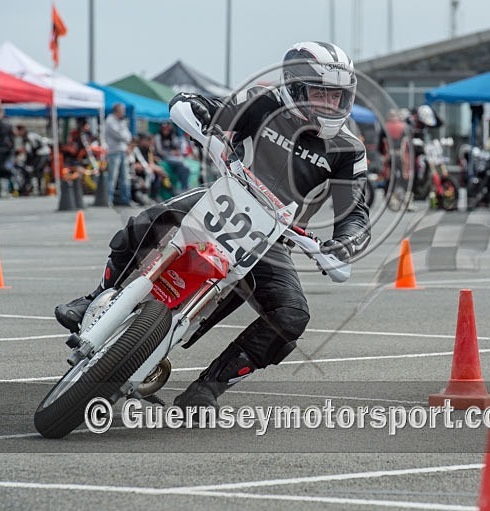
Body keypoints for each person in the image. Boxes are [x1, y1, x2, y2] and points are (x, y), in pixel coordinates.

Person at [54, 41, 370, 411]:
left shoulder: (349, 149)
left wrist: (342, 243)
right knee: (150, 219)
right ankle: (96, 296)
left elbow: (356, 213)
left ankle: (209, 387)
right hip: (223, 198)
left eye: (338, 97)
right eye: (321, 93)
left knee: (292, 315)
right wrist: (200, 116)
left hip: (273, 240)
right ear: (294, 86)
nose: (330, 105)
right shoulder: (262, 101)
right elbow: (207, 110)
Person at [105, 103, 132, 206]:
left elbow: (128, 136)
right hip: (114, 152)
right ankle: (109, 200)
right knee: (113, 177)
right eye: (122, 110)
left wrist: (126, 137)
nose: (124, 112)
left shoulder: (122, 121)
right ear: (117, 111)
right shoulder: (110, 121)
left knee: (125, 177)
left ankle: (126, 199)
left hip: (123, 151)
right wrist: (126, 137)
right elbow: (120, 135)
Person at [154, 122, 192, 193]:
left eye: (167, 128)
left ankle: (184, 187)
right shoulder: (158, 137)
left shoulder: (172, 136)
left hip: (174, 158)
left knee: (186, 168)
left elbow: (177, 147)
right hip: (164, 157)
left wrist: (177, 151)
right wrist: (171, 152)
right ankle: (183, 187)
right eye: (164, 129)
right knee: (180, 162)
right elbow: (159, 151)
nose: (166, 130)